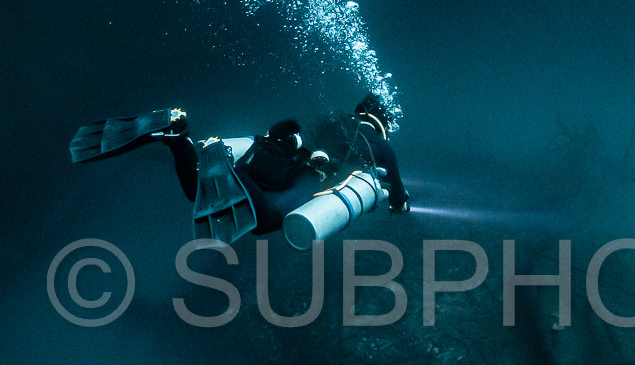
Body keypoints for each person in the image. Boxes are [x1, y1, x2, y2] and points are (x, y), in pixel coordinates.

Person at [69, 96, 410, 248]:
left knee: (200, 192)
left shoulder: (336, 115)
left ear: (360, 110)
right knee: (267, 222)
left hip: (269, 155)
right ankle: (231, 174)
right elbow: (397, 196)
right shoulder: (382, 148)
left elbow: (297, 131)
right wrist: (400, 204)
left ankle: (178, 139)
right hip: (305, 177)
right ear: (384, 124)